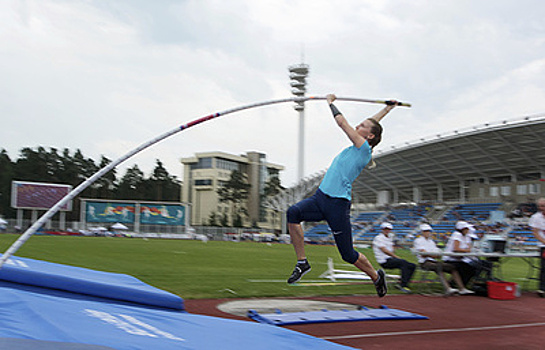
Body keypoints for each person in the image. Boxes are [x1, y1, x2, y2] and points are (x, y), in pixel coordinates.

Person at [286, 94, 402, 298]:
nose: (359, 124)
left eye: (363, 125)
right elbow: (373, 124)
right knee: (293, 213)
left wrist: (331, 103)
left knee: (348, 255)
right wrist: (387, 110)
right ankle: (302, 262)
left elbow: (341, 122)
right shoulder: (358, 146)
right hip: (320, 198)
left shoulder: (363, 149)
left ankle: (376, 277)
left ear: (370, 136)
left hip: (337, 205)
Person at [413, 223, 474, 295]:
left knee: (452, 268)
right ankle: (448, 288)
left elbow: (436, 253)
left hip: (433, 261)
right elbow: (423, 254)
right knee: (439, 267)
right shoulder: (418, 240)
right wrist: (433, 255)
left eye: (429, 231)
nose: (428, 232)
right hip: (424, 262)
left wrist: (433, 255)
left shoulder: (431, 241)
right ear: (422, 232)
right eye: (426, 231)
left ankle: (461, 288)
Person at [373, 222, 416, 293]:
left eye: (389, 229)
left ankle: (403, 282)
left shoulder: (389, 238)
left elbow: (391, 249)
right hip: (384, 261)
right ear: (382, 229)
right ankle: (403, 285)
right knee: (403, 263)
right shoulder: (379, 238)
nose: (387, 230)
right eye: (385, 229)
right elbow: (384, 250)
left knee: (412, 266)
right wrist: (395, 256)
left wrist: (394, 248)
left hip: (390, 259)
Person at [443, 221, 478, 289]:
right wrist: (467, 251)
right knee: (468, 268)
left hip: (457, 259)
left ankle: (458, 284)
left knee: (471, 267)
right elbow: (456, 249)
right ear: (462, 229)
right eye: (466, 229)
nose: (467, 231)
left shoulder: (462, 236)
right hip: (450, 259)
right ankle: (458, 285)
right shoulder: (457, 235)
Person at [528, 197, 545, 298]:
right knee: (544, 268)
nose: (541, 208)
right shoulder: (536, 217)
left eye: (543, 206)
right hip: (543, 246)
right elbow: (535, 232)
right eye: (540, 206)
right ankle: (542, 289)